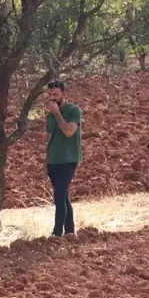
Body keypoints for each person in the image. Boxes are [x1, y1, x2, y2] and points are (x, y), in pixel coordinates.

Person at [44, 80, 82, 238]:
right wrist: (45, 162)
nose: (53, 97)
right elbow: (49, 139)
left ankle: (57, 232)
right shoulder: (49, 116)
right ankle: (70, 231)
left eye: (56, 94)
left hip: (69, 159)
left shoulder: (74, 110)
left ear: (63, 94)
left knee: (59, 195)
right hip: (53, 160)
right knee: (63, 196)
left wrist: (57, 114)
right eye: (50, 94)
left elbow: (68, 131)